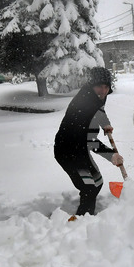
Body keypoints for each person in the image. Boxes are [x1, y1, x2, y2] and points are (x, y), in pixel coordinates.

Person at [54, 67, 124, 217]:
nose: (103, 91)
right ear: (91, 85)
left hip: (80, 148)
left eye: (106, 87)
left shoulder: (95, 97)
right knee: (89, 188)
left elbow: (99, 111)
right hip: (67, 151)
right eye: (99, 86)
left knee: (97, 182)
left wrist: (105, 123)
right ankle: (81, 222)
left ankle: (87, 213)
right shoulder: (84, 105)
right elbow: (90, 142)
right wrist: (111, 155)